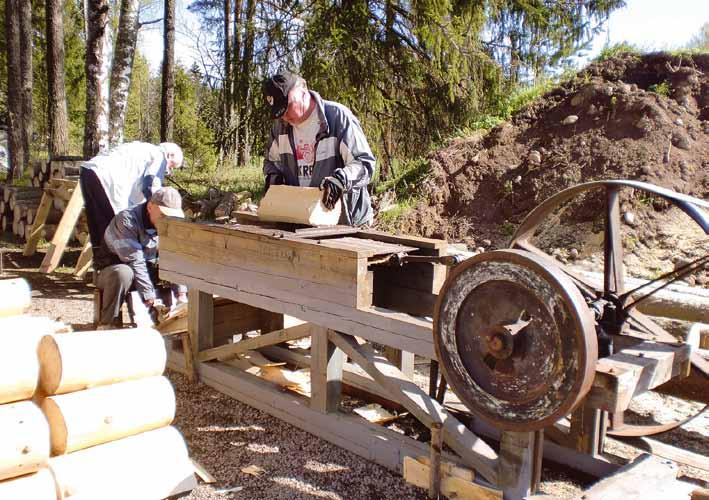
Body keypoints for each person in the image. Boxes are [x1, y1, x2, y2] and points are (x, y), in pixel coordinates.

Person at [262, 72, 375, 226]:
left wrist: (341, 179)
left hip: (346, 223)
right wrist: (274, 177)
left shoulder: (337, 117)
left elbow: (364, 164)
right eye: (279, 112)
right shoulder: (279, 128)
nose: (284, 117)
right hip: (302, 221)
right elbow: (272, 163)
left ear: (302, 91)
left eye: (287, 107)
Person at [94, 186, 187, 329]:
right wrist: (151, 300)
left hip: (147, 269)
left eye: (171, 215)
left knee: (192, 270)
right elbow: (135, 261)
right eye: (163, 214)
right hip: (113, 271)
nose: (167, 219)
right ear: (150, 207)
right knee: (123, 273)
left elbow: (174, 258)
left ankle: (177, 323)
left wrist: (181, 295)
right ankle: (107, 325)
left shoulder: (169, 224)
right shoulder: (126, 220)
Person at [79, 141, 184, 251]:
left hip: (89, 170)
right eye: (172, 166)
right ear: (169, 155)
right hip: (107, 180)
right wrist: (159, 209)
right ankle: (114, 263)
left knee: (98, 225)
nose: (168, 171)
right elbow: (151, 186)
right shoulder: (159, 156)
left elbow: (136, 191)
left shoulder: (142, 149)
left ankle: (100, 260)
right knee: (115, 227)